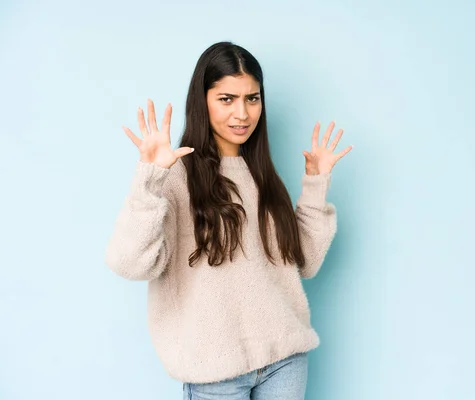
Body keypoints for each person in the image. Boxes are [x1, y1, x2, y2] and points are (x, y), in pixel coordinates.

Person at [104, 41, 352, 399]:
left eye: (252, 98)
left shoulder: (262, 175)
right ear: (202, 101)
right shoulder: (174, 177)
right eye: (227, 99)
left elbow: (306, 263)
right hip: (215, 371)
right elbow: (128, 263)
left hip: (285, 360)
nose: (242, 113)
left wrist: (315, 185)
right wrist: (149, 179)